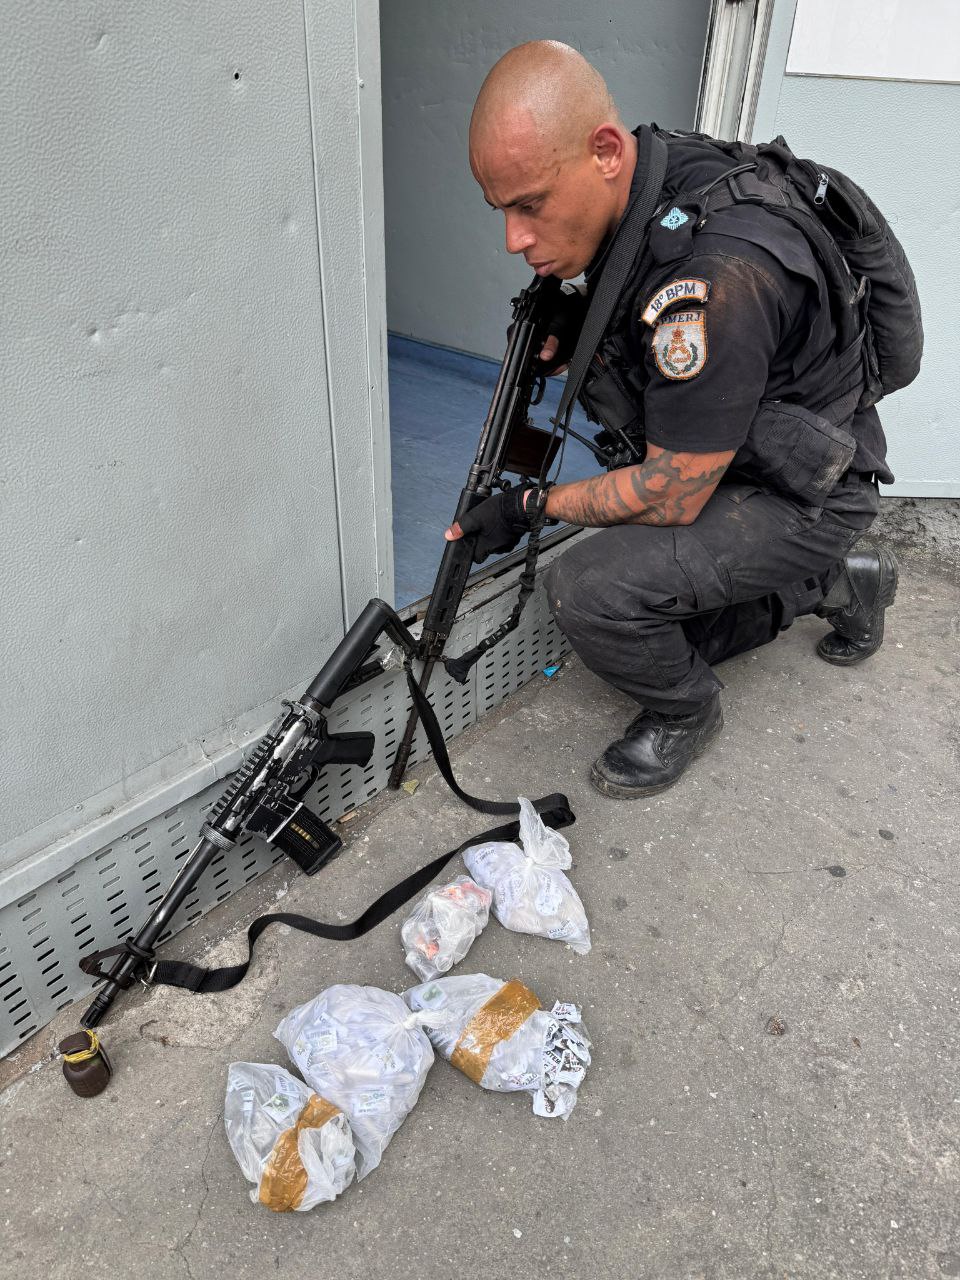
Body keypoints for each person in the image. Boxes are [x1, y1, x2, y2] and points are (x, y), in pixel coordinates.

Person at [445, 41, 899, 798]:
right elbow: (636, 281)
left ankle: (687, 710)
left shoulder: (715, 279)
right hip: (761, 449)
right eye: (503, 210)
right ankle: (839, 585)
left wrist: (529, 506)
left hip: (805, 490)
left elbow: (672, 492)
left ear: (604, 151)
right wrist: (581, 310)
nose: (514, 239)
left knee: (590, 593)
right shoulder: (662, 169)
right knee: (660, 595)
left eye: (530, 204)